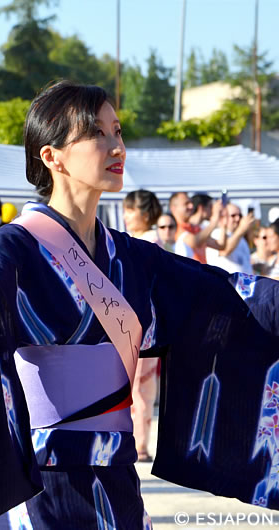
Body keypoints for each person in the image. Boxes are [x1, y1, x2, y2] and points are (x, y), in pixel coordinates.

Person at [0, 81, 279, 529]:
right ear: (52, 156)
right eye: (97, 133)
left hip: (117, 470)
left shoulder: (130, 257)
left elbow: (225, 293)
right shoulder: (19, 243)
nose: (115, 145)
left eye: (117, 131)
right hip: (46, 479)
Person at [121, 189, 163, 463]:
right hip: (135, 320)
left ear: (144, 214)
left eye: (130, 210)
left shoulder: (149, 241)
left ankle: (140, 444)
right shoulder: (139, 240)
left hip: (142, 322)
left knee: (140, 387)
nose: (125, 217)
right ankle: (138, 442)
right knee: (136, 386)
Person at [171, 192, 225, 263]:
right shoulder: (173, 228)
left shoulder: (195, 228)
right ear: (174, 208)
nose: (191, 206)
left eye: (190, 203)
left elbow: (220, 245)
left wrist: (224, 223)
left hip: (201, 272)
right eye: (186, 203)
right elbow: (195, 242)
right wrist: (214, 222)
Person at [206, 203, 256, 274]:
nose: (238, 219)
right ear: (223, 218)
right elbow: (224, 251)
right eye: (233, 215)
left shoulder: (240, 238)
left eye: (240, 215)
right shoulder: (217, 233)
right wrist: (241, 229)